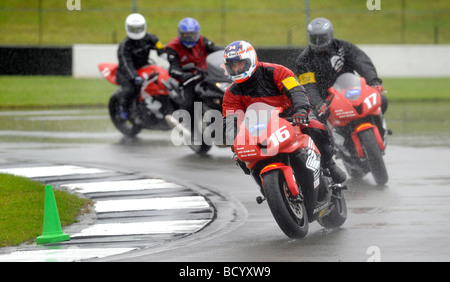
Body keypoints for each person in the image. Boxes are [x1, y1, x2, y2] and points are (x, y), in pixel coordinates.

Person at [222, 40, 346, 184]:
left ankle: (329, 164)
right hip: (259, 129)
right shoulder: (231, 93)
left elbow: (296, 91)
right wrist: (235, 142)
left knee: (315, 127)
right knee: (242, 158)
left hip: (291, 116)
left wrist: (300, 111)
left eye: (240, 63)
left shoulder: (277, 71)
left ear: (250, 59)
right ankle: (265, 185)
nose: (236, 69)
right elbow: (231, 120)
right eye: (232, 65)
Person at [295, 17, 388, 120]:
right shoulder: (304, 60)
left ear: (330, 35)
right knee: (315, 122)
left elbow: (361, 61)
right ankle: (331, 135)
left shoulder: (343, 46)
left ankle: (380, 128)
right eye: (314, 38)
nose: (318, 42)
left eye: (322, 38)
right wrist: (318, 104)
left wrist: (374, 81)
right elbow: (309, 86)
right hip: (326, 100)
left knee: (381, 100)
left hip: (351, 91)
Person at [165, 17, 222, 113]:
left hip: (205, 75)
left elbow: (215, 49)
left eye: (193, 34)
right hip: (188, 80)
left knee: (219, 93)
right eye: (187, 34)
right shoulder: (173, 47)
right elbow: (173, 68)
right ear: (180, 34)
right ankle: (190, 124)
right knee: (189, 103)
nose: (190, 37)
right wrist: (183, 75)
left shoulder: (201, 39)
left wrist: (229, 49)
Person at [116, 13, 165, 120]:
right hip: (126, 73)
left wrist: (166, 55)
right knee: (131, 89)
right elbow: (126, 63)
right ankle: (123, 108)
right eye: (134, 29)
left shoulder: (150, 38)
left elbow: (159, 46)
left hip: (145, 68)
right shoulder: (125, 46)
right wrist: (134, 77)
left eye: (139, 28)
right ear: (128, 28)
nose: (137, 31)